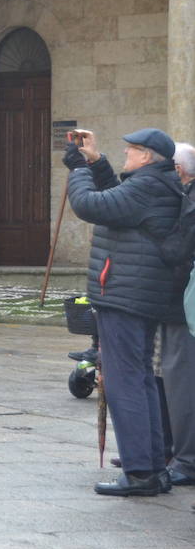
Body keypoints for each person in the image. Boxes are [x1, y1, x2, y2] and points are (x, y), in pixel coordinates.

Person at [66, 127, 184, 496]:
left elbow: (90, 204)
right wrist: (95, 161)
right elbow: (115, 195)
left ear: (147, 156)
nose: (127, 157)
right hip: (139, 294)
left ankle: (139, 472)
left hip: (125, 295)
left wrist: (77, 170)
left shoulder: (146, 187)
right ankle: (151, 467)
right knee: (140, 379)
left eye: (131, 151)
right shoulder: (156, 184)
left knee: (124, 383)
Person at [162, 142, 195, 489]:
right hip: (179, 305)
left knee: (181, 379)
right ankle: (168, 451)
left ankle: (185, 460)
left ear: (178, 171)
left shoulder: (189, 202)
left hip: (182, 307)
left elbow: (177, 251)